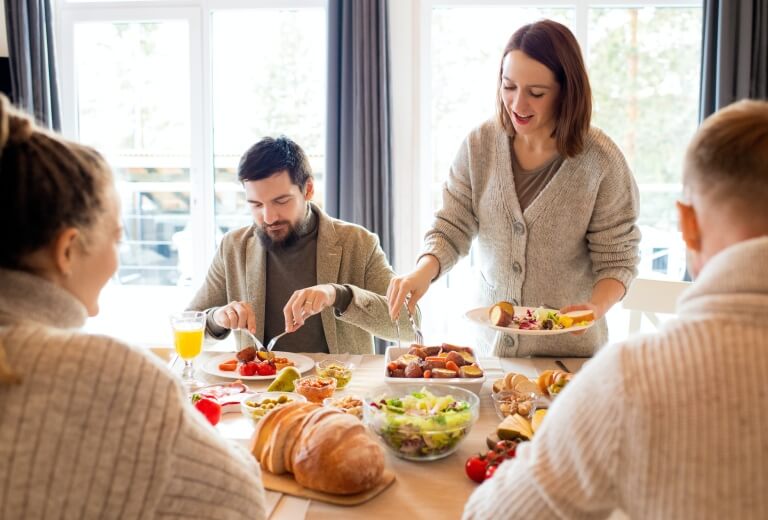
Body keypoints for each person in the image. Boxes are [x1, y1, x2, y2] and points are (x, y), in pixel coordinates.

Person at [463, 99, 768, 518]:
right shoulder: (480, 145)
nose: (519, 102)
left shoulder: (630, 379)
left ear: (688, 224)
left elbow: (495, 515)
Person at [0, 95, 266, 519]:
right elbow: (244, 504)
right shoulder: (113, 374)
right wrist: (217, 318)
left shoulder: (351, 240)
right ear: (68, 250)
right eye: (118, 237)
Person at [387, 19, 641, 357]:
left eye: (536, 93)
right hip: (492, 355)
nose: (518, 105)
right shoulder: (479, 146)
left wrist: (594, 308)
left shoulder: (602, 161)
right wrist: (424, 270)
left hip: (569, 359)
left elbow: (619, 257)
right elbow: (452, 225)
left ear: (567, 91)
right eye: (509, 87)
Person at [187, 136, 414, 354]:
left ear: (308, 190)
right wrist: (217, 318)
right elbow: (189, 323)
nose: (268, 217)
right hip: (261, 391)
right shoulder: (233, 247)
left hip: (341, 389)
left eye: (281, 201)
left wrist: (339, 295)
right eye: (256, 204)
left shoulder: (358, 242)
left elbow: (407, 324)